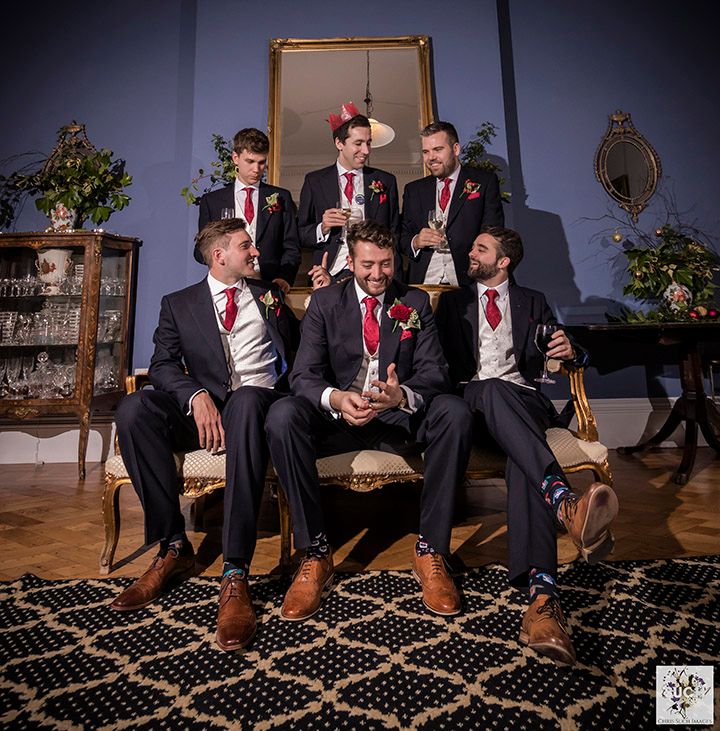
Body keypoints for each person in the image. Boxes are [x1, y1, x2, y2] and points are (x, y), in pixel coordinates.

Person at [265, 219, 473, 622]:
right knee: (282, 413)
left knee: (455, 411)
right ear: (351, 262)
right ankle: (315, 552)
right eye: (368, 265)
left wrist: (402, 395)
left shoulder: (414, 302)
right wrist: (337, 398)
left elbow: (435, 373)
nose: (378, 274)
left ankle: (431, 550)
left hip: (397, 420)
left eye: (386, 263)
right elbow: (303, 375)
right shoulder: (325, 303)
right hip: (338, 422)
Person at [435, 226, 619, 667]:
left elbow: (572, 353)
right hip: (472, 404)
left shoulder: (533, 301)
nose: (470, 252)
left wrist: (571, 350)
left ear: (503, 261)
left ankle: (542, 599)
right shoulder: (453, 304)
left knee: (522, 453)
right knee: (493, 392)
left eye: (480, 248)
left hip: (524, 404)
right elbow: (435, 364)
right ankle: (548, 577)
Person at [112, 219, 298, 652]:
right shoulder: (178, 304)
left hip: (258, 408)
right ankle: (173, 547)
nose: (255, 252)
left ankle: (235, 571)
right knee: (134, 409)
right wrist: (195, 395)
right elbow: (162, 365)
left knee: (247, 400)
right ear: (220, 255)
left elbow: (299, 349)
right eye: (246, 246)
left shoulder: (269, 295)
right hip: (206, 414)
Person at [298, 103, 400, 287]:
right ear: (339, 143)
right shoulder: (314, 181)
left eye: (368, 143)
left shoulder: (386, 181)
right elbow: (300, 234)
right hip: (329, 273)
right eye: (358, 143)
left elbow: (395, 233)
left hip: (374, 275)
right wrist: (323, 228)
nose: (366, 151)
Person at [195, 128, 301, 292]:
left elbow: (292, 246)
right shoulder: (212, 201)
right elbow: (201, 250)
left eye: (261, 162)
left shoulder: (281, 197)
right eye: (250, 161)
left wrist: (284, 277)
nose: (256, 169)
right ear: (235, 158)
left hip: (269, 286)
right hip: (225, 287)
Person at [401, 121, 504, 286]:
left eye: (438, 149)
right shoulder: (413, 190)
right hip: (424, 283)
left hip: (467, 281)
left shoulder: (484, 182)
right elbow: (402, 236)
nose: (431, 157)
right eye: (426, 152)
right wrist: (416, 241)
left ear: (456, 149)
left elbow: (493, 233)